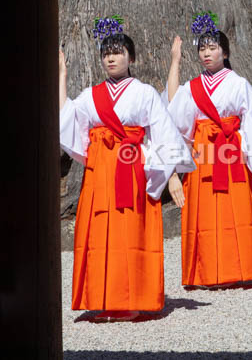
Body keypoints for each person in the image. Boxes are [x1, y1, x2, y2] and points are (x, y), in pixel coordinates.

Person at [59, 16, 193, 320]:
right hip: (100, 172)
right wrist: (63, 76)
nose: (111, 57)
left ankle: (132, 299)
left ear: (130, 58)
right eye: (106, 52)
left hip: (132, 167)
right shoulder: (90, 96)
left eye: (117, 52)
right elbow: (67, 120)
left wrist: (171, 174)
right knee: (100, 233)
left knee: (130, 233)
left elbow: (163, 132)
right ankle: (104, 297)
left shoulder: (144, 92)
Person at [164, 11, 252, 289]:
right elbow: (176, 119)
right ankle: (205, 272)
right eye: (202, 48)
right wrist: (175, 64)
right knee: (204, 212)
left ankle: (238, 269)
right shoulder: (192, 87)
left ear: (224, 53)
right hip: (203, 152)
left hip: (232, 150)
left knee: (234, 209)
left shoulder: (238, 83)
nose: (206, 53)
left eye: (212, 48)